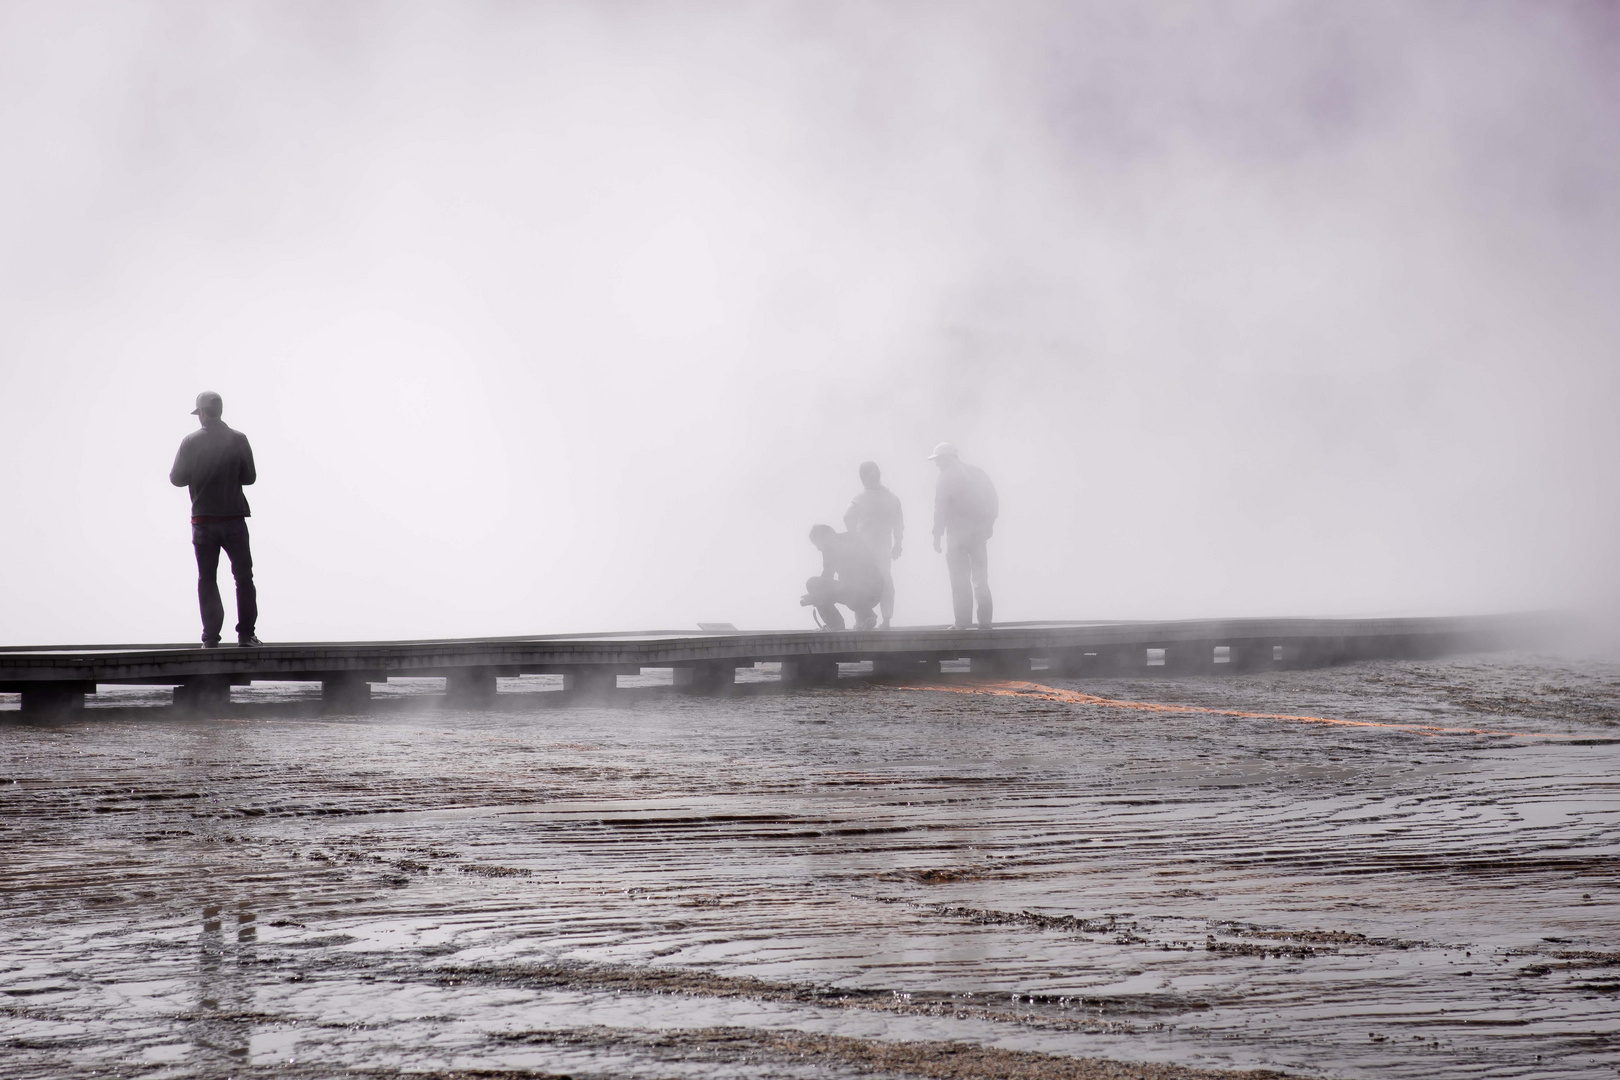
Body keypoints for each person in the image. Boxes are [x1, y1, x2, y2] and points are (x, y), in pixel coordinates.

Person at [169, 391, 260, 648]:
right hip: (234, 519)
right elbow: (250, 477)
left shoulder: (190, 442)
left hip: (203, 522)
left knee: (207, 578)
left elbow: (177, 479)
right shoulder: (238, 439)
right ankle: (246, 636)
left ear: (203, 413)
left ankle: (210, 639)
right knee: (243, 577)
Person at [929, 442, 997, 630]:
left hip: (957, 534)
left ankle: (962, 622)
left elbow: (940, 509)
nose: (937, 464)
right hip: (978, 532)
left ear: (947, 458)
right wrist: (988, 525)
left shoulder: (945, 478)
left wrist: (936, 535)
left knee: (959, 578)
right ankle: (985, 622)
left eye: (938, 460)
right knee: (980, 577)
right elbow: (993, 499)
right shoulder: (977, 472)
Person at [842, 461, 904, 629]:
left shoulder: (860, 497)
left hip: (863, 545)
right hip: (884, 544)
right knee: (885, 579)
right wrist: (898, 543)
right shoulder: (892, 498)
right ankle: (887, 620)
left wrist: (853, 534)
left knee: (860, 580)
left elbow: (847, 517)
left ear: (863, 478)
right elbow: (899, 524)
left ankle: (862, 619)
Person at [800, 524, 884, 631]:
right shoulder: (852, 538)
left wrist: (814, 595)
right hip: (875, 592)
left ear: (828, 536)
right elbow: (826, 579)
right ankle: (866, 616)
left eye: (818, 543)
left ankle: (836, 624)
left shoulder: (832, 548)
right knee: (818, 588)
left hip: (860, 591)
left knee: (812, 584)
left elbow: (825, 580)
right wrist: (814, 596)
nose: (818, 548)